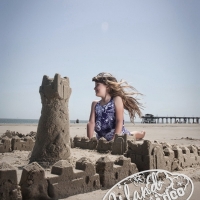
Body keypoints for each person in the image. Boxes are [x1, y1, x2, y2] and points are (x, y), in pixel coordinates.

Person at [87, 72, 145, 141]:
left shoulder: (116, 99)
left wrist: (114, 139)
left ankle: (141, 134)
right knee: (129, 134)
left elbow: (119, 121)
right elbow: (91, 123)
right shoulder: (95, 104)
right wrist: (89, 140)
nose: (94, 88)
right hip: (102, 137)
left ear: (107, 87)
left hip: (117, 134)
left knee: (130, 135)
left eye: (97, 85)